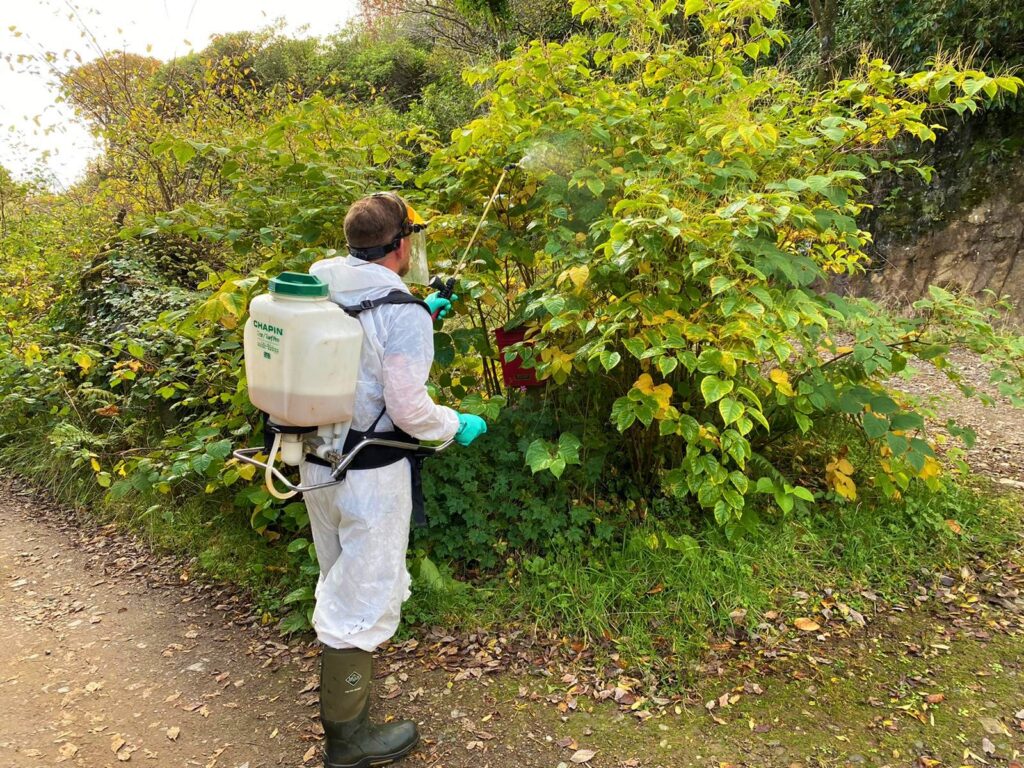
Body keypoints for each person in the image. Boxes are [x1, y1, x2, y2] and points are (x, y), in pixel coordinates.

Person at [299, 192, 487, 768]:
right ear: (403, 244)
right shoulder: (396, 310)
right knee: (362, 597)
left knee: (339, 576)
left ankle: (344, 716)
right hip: (370, 475)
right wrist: (456, 424)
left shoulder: (323, 286)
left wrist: (421, 312)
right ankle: (348, 744)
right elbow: (408, 408)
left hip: (315, 461)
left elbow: (359, 349)